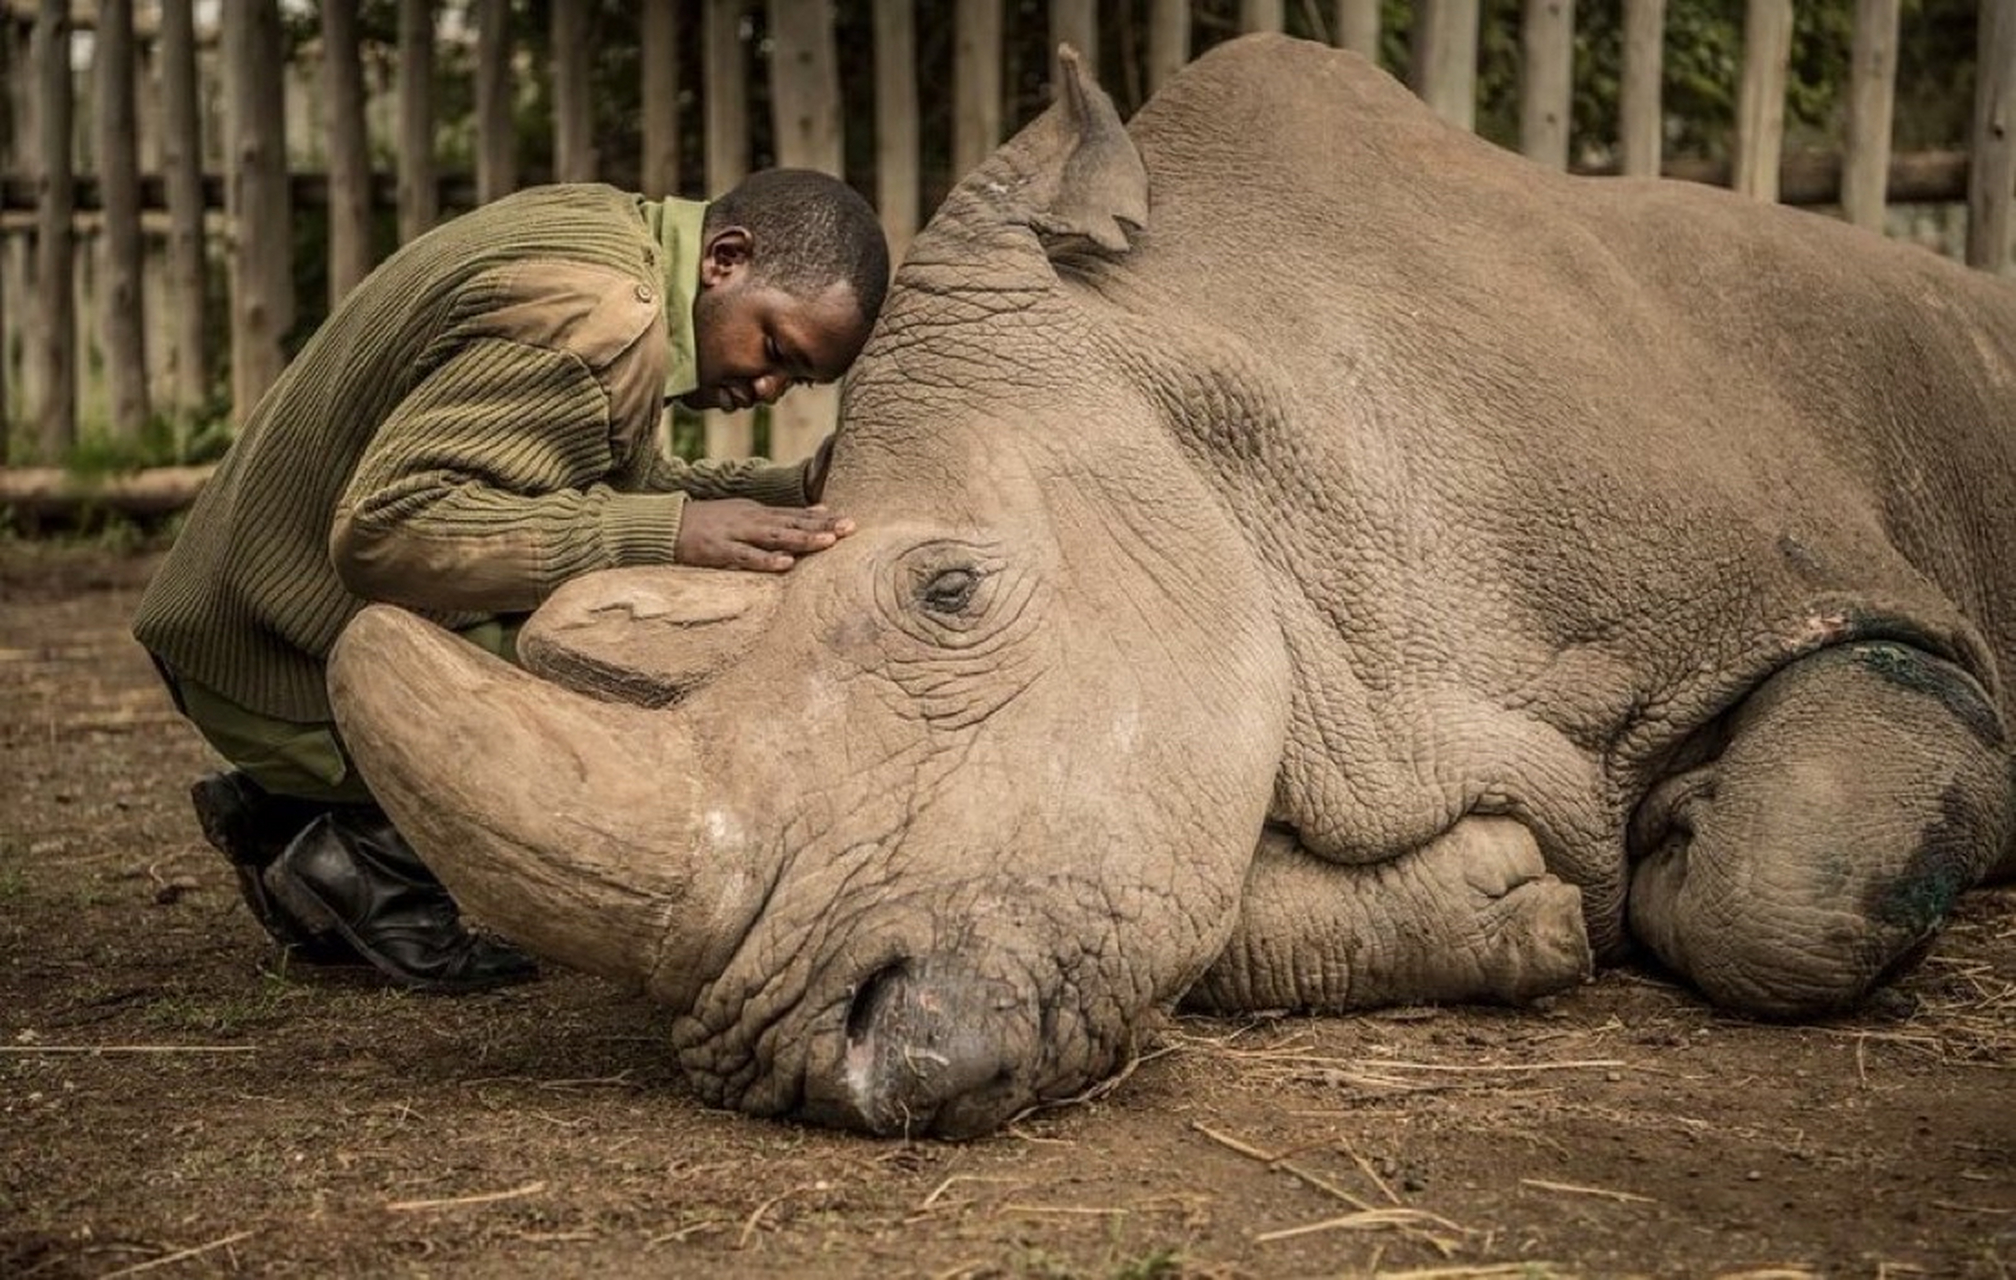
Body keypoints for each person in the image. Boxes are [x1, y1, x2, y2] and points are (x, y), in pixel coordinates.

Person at [133, 170, 891, 994]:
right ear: (726, 259)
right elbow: (388, 529)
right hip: (272, 661)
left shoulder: (612, 241)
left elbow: (598, 483)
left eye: (799, 380)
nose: (768, 387)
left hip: (241, 623)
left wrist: (791, 493)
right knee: (653, 656)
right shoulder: (598, 319)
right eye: (776, 348)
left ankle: (296, 811)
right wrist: (666, 534)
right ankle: (361, 854)